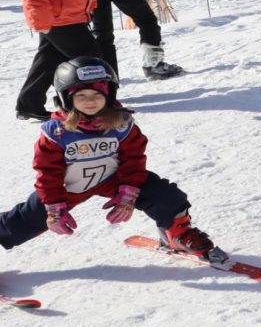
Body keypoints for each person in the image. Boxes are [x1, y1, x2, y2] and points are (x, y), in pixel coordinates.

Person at [0, 57, 219, 259]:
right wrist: (54, 207)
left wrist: (129, 193)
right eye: (81, 96)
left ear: (110, 95)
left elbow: (134, 159)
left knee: (165, 195)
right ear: (67, 98)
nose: (90, 101)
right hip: (68, 187)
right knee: (27, 220)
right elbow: (47, 172)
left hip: (112, 180)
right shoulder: (57, 132)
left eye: (97, 95)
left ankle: (177, 234)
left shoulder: (121, 124)